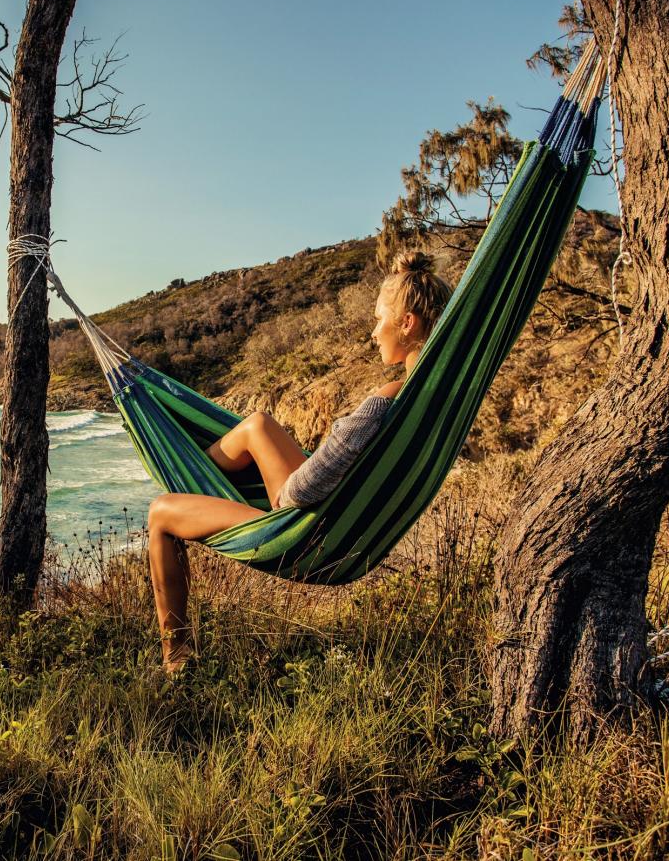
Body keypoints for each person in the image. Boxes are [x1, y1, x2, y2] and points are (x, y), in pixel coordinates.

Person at [147, 251, 452, 672]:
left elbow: (302, 490)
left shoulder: (384, 400)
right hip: (338, 521)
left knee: (161, 512)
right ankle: (196, 470)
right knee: (258, 423)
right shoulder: (422, 396)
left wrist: (302, 470)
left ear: (407, 323)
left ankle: (176, 657)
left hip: (303, 530)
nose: (373, 332)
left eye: (378, 319)